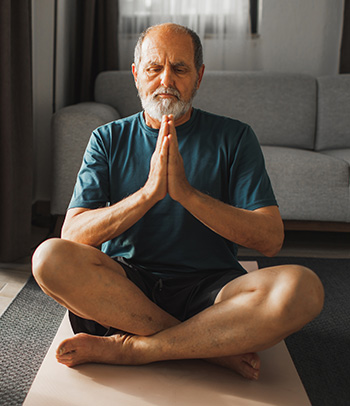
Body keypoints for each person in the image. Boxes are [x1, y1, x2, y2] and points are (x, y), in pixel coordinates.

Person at [32, 23, 324, 381]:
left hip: (212, 290)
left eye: (180, 68)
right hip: (123, 292)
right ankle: (209, 347)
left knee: (303, 289)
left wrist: (186, 193)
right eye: (154, 68)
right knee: (48, 258)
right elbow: (73, 235)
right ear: (137, 75)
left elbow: (270, 240)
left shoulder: (235, 137)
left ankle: (139, 348)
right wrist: (149, 193)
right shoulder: (107, 139)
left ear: (199, 77)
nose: (166, 80)